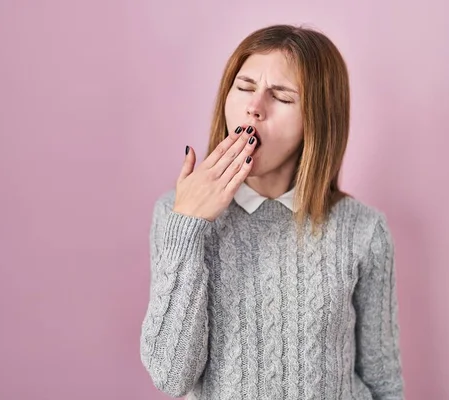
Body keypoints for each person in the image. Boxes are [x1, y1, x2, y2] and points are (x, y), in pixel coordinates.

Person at [140, 24, 404, 400]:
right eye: (245, 87)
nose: (254, 107)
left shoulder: (363, 230)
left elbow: (385, 383)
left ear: (318, 119)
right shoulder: (173, 213)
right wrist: (188, 225)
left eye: (281, 96)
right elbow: (171, 376)